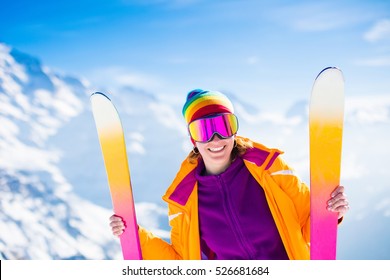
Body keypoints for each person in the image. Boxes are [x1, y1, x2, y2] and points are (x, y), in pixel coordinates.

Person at [109, 89, 349, 260]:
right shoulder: (184, 200)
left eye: (223, 126)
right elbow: (183, 261)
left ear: (234, 130)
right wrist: (134, 235)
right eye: (203, 130)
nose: (215, 139)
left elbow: (308, 223)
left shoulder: (270, 170)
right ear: (193, 139)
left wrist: (331, 211)